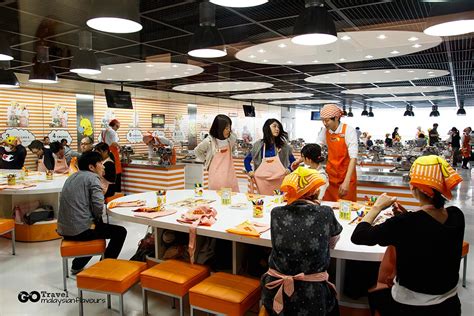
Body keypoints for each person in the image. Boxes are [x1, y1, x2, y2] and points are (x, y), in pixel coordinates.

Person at [351, 155, 464, 316]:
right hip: (450, 305)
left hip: (410, 307)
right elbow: (428, 231)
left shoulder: (405, 223)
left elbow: (359, 236)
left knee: (373, 294)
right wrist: (406, 215)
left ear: (415, 188)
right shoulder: (457, 216)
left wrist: (376, 207)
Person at [261, 167, 342, 316]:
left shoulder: (276, 213)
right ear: (313, 191)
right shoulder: (325, 213)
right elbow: (331, 243)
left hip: (274, 294)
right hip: (313, 297)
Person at [57, 151, 127, 274]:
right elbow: (98, 207)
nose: (104, 166)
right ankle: (104, 266)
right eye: (100, 163)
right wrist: (96, 219)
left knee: (97, 227)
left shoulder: (73, 176)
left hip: (63, 229)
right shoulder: (93, 178)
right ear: (91, 167)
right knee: (120, 232)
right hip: (79, 230)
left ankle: (77, 265)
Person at [304, 104, 358, 202]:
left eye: (327, 120)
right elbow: (315, 147)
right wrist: (301, 159)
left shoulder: (348, 131)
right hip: (331, 176)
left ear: (336, 118)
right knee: (328, 206)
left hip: (346, 176)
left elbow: (353, 158)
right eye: (322, 120)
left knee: (346, 208)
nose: (324, 123)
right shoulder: (325, 131)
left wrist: (346, 182)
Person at [245, 118, 295, 195]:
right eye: (274, 126)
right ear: (267, 128)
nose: (277, 129)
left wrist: (289, 169)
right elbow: (247, 160)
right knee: (264, 201)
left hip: (279, 180)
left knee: (277, 201)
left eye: (278, 127)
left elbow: (293, 162)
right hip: (262, 182)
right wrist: (249, 170)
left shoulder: (284, 146)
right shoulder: (258, 145)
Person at [195, 115, 239, 192]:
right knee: (217, 198)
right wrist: (206, 161)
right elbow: (197, 151)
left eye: (229, 128)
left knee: (233, 198)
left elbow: (234, 136)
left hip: (230, 175)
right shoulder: (209, 141)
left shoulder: (230, 140)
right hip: (216, 177)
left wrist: (229, 130)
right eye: (226, 128)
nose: (229, 130)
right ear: (219, 128)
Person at [98, 119, 122, 192]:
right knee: (116, 172)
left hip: (105, 153)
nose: (117, 129)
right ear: (115, 125)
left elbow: (101, 141)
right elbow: (114, 143)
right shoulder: (112, 132)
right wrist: (120, 146)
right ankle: (116, 192)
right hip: (112, 153)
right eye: (117, 127)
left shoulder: (103, 131)